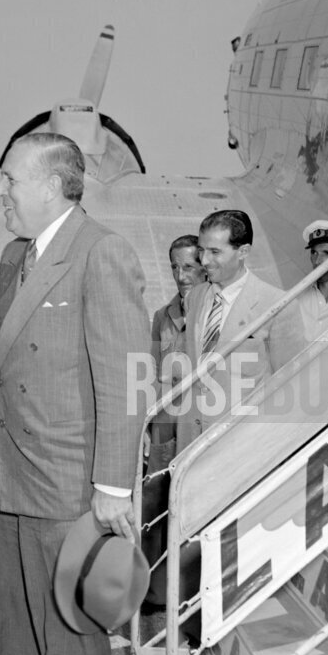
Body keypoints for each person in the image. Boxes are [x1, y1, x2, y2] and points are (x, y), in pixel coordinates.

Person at [0, 132, 150, 655]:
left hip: (72, 484)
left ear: (51, 186)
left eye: (10, 179)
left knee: (70, 634)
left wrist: (114, 485)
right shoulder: (12, 255)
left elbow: (129, 378)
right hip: (16, 474)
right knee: (17, 626)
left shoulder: (101, 251)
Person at [178, 210, 306, 452]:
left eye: (215, 252)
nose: (204, 261)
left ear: (243, 252)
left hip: (242, 445)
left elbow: (291, 384)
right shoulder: (195, 297)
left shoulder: (278, 305)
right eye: (201, 250)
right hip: (190, 441)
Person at [143, 234, 206, 608]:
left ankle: (191, 594)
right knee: (153, 507)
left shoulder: (212, 314)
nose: (181, 276)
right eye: (175, 267)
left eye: (189, 266)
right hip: (166, 425)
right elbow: (149, 374)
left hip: (199, 426)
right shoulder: (162, 317)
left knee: (194, 510)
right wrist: (148, 427)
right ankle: (152, 591)